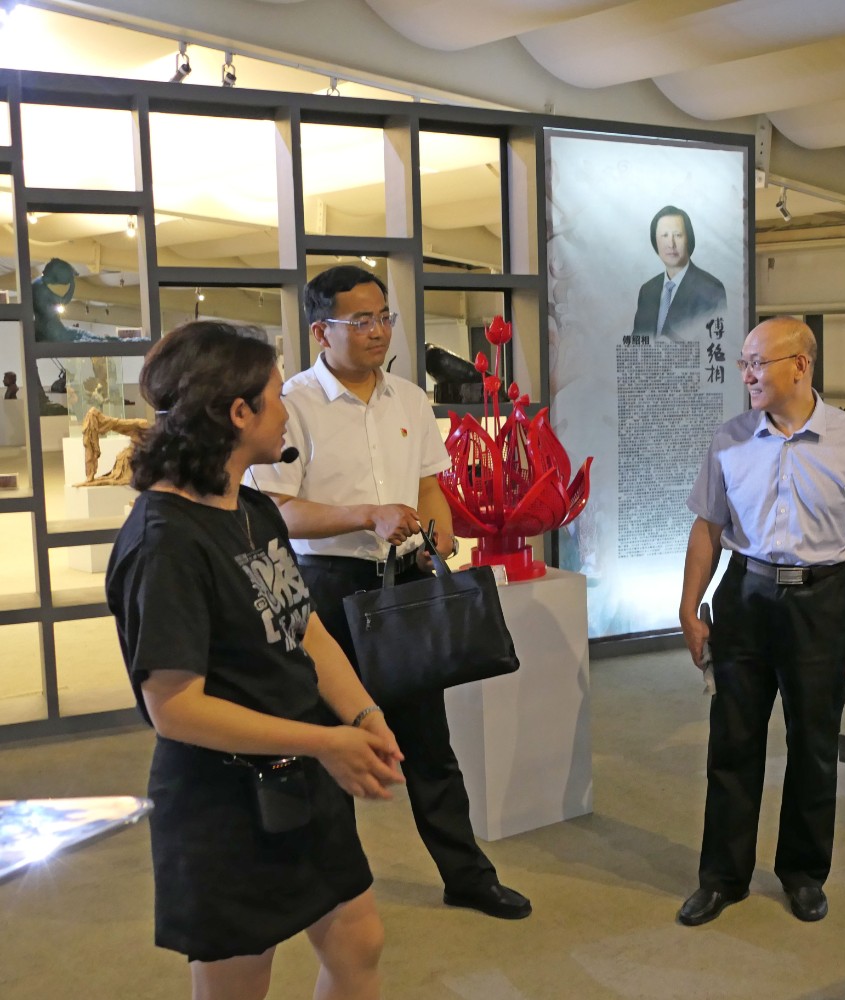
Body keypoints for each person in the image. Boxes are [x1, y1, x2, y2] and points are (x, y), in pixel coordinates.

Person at [105, 320, 404, 998]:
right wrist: (326, 741)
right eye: (275, 395)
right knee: (240, 982)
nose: (286, 409)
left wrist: (363, 714)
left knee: (358, 941)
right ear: (237, 413)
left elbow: (304, 627)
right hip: (223, 799)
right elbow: (176, 709)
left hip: (303, 770)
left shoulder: (252, 508)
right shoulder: (164, 543)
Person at [246, 265, 531, 921]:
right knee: (331, 744)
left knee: (429, 744)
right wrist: (366, 515)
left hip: (403, 583)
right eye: (361, 320)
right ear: (321, 331)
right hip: (324, 590)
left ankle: (467, 877)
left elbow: (429, 483)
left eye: (384, 318)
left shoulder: (408, 397)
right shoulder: (292, 405)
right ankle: (338, 890)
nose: (378, 331)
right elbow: (277, 512)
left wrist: (438, 533)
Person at [676, 316, 845, 927]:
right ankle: (723, 878)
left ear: (800, 365)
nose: (746, 374)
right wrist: (690, 605)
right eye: (743, 363)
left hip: (821, 603)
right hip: (744, 597)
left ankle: (803, 874)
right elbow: (708, 527)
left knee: (814, 744)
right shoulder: (730, 438)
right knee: (733, 739)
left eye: (758, 363)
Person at [631, 204, 728, 340]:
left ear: (689, 239)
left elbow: (715, 344)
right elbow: (636, 342)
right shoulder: (647, 290)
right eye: (664, 235)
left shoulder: (711, 289)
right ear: (655, 240)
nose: (671, 244)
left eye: (677, 235)